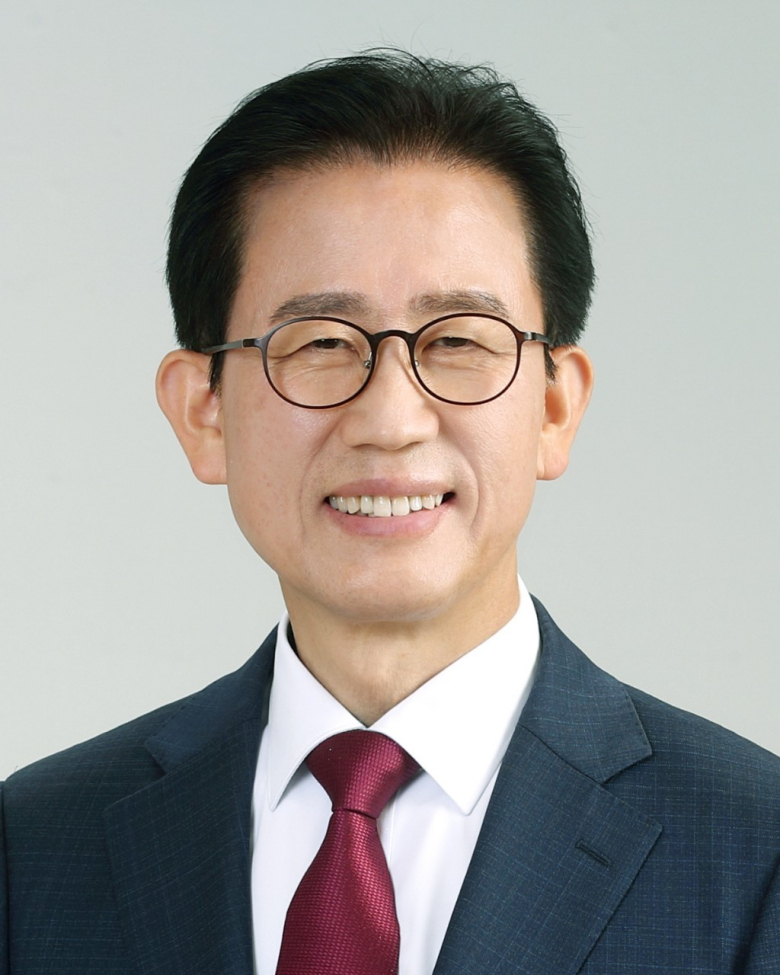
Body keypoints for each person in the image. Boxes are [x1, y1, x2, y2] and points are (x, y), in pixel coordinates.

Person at [1, 49, 779, 975]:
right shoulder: (32, 850)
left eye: (458, 341)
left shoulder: (755, 851)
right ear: (203, 411)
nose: (391, 419)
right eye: (321, 342)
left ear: (554, 407)